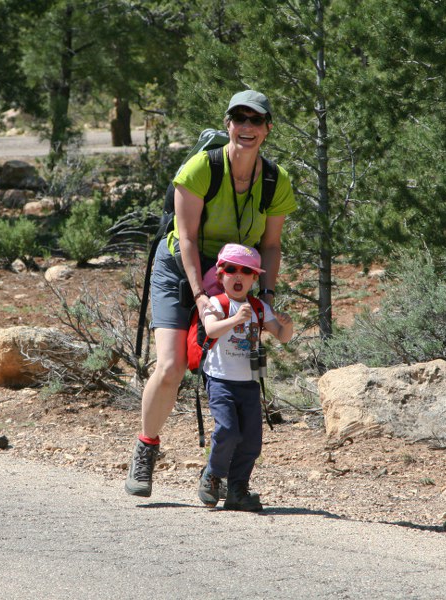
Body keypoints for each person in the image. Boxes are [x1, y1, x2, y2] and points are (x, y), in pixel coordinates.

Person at [125, 90, 297, 498]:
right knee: (171, 364)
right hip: (183, 269)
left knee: (233, 368)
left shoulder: (275, 180)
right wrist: (201, 296)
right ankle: (146, 449)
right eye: (239, 119)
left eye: (256, 120)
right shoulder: (203, 167)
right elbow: (185, 237)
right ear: (228, 124)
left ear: (268, 128)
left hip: (236, 273)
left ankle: (217, 474)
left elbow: (271, 245)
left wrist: (266, 299)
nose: (247, 127)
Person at [197, 243, 293, 511]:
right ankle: (213, 476)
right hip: (220, 380)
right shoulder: (217, 303)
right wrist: (236, 318)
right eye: (231, 269)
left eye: (246, 271)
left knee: (251, 440)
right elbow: (211, 330)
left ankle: (238, 489)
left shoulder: (259, 307)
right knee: (227, 430)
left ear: (254, 278)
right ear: (220, 275)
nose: (238, 275)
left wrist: (288, 325)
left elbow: (282, 336)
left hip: (249, 384)